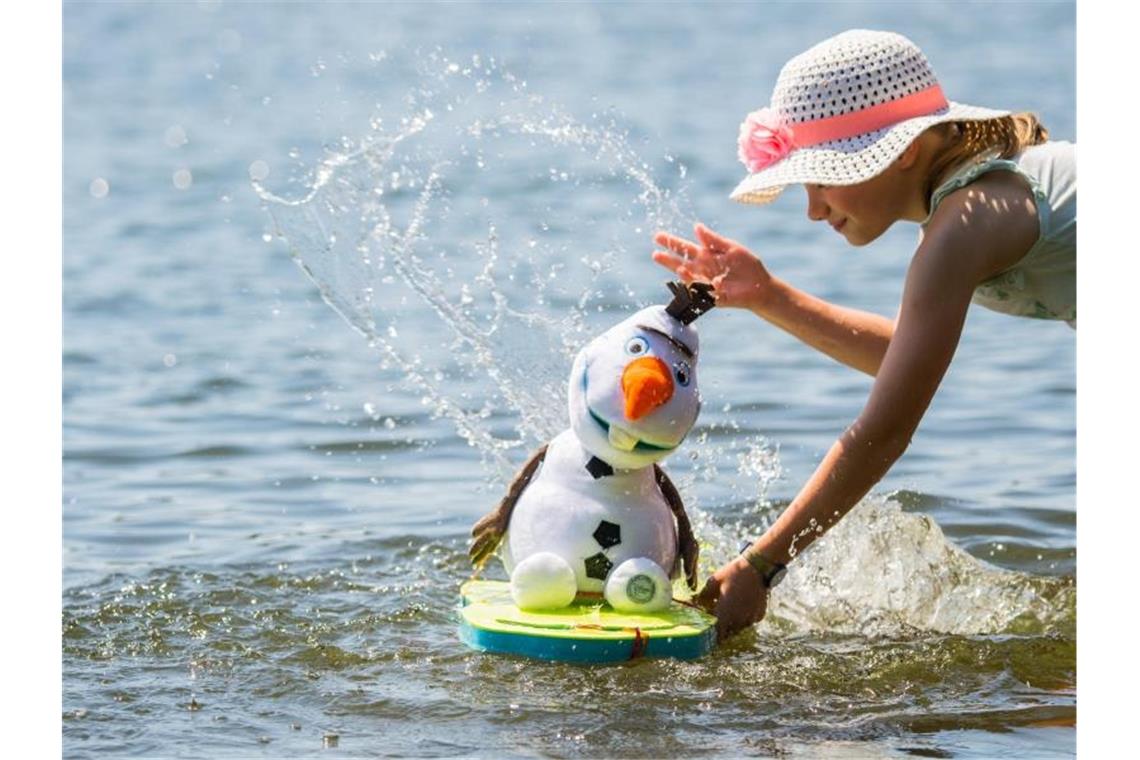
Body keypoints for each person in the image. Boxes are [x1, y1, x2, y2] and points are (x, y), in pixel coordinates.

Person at [651, 29, 1075, 640]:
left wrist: (761, 563)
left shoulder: (962, 227)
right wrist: (770, 296)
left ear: (901, 151)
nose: (813, 210)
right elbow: (899, 358)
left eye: (824, 179)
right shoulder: (963, 209)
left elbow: (884, 432)